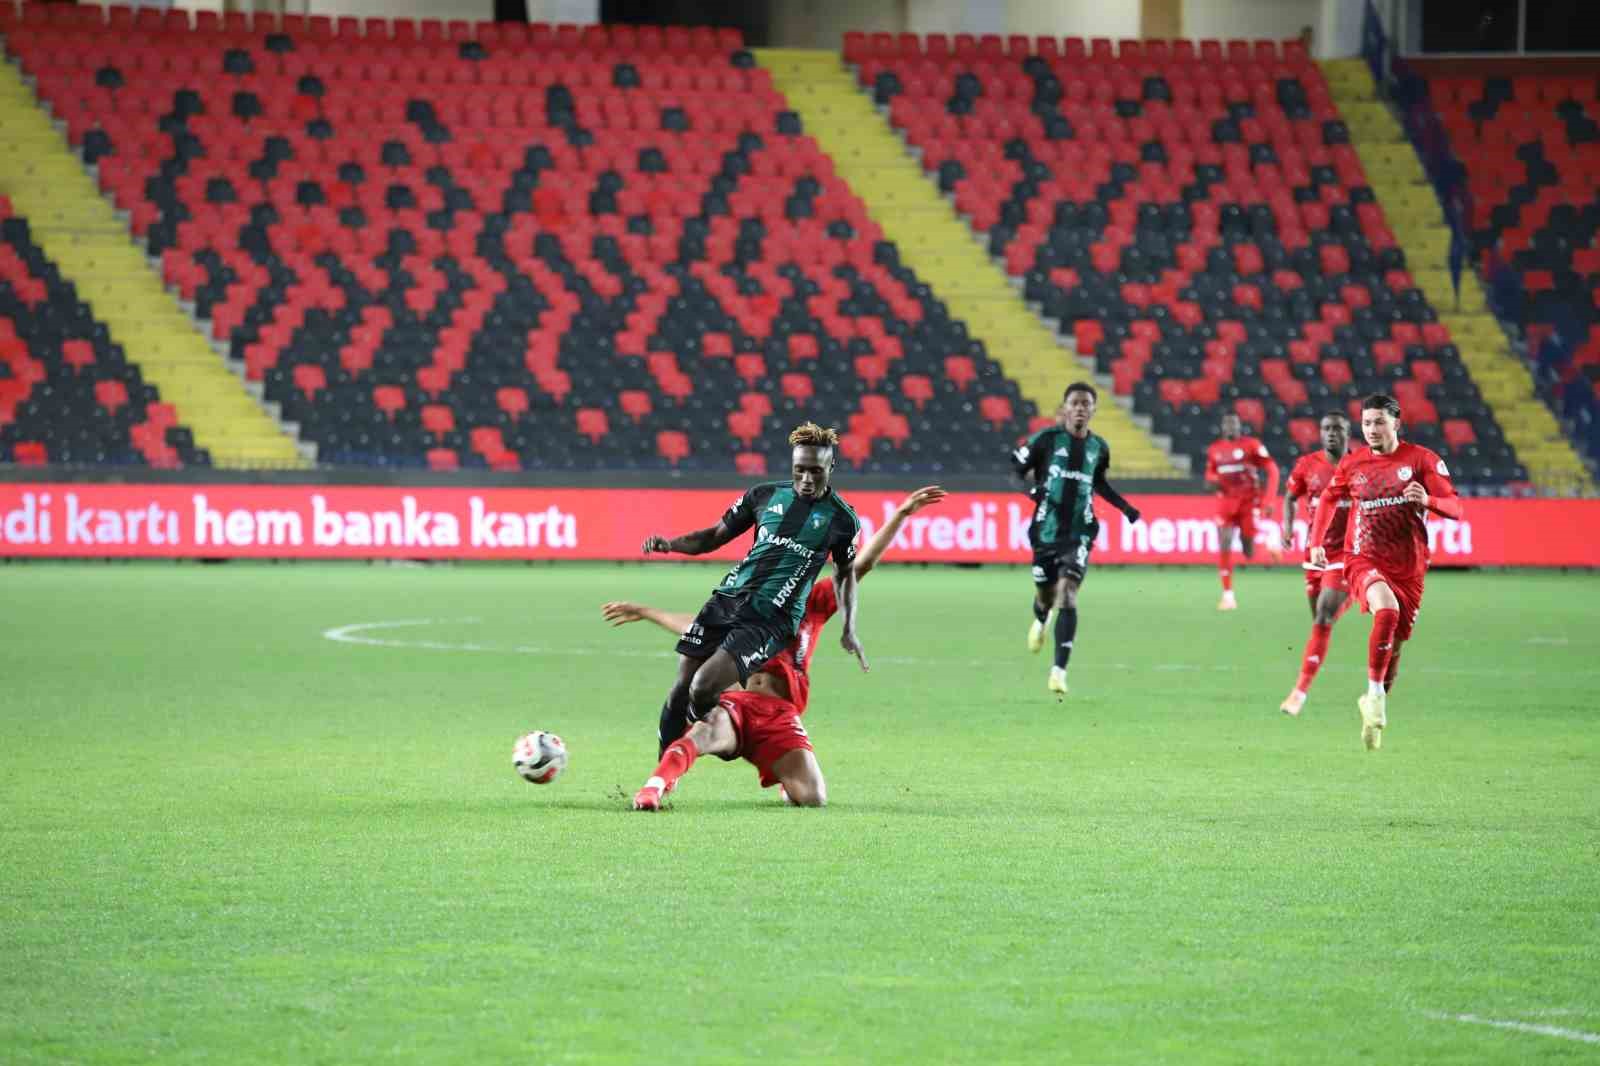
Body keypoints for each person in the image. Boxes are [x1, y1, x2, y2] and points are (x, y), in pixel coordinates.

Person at [607, 486, 948, 809]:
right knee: (702, 732)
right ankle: (655, 786)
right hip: (739, 703)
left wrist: (901, 514)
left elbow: (861, 565)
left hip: (780, 714)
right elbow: (696, 626)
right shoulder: (752, 597)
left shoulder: (815, 601)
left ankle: (783, 774)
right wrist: (647, 612)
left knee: (813, 798)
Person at [640, 422, 864, 757]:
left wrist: (848, 627)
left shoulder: (842, 520)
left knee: (703, 687)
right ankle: (663, 775)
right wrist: (671, 545)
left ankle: (721, 738)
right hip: (727, 600)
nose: (806, 479)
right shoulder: (763, 496)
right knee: (680, 690)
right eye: (800, 469)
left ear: (831, 466)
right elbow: (713, 536)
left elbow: (845, 575)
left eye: (815, 471)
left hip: (771, 618)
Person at [1308, 393, 1463, 750]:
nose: (1372, 429)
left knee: (1396, 646)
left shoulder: (1422, 460)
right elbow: (1329, 498)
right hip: (1362, 558)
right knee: (1386, 609)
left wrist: (1428, 500)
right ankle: (1375, 694)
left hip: (1409, 567)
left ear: (1397, 423)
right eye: (1366, 423)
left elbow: (1456, 507)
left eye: (1379, 422)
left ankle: (1373, 703)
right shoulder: (1353, 464)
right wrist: (1317, 542)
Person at [1010, 382, 1142, 698]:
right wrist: (1032, 490)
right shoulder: (1047, 440)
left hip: (1080, 532)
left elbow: (1099, 483)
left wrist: (1124, 507)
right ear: (1065, 408)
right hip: (1045, 531)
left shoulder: (1099, 448)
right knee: (1045, 597)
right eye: (1075, 403)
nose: (1080, 407)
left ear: (1093, 409)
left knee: (1067, 594)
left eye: (1086, 403)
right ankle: (1041, 619)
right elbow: (1016, 469)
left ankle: (1059, 672)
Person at [1278, 411, 1353, 716]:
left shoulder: (1361, 465)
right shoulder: (1307, 465)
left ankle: (1299, 693)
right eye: (1326, 428)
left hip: (1348, 553)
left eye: (1337, 428)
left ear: (1347, 432)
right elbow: (1289, 497)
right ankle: (1350, 598)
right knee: (1320, 619)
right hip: (1315, 551)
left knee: (1323, 615)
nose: (1331, 433)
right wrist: (1287, 527)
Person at [1205, 411, 1281, 611]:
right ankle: (1228, 596)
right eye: (1227, 424)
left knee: (1248, 551)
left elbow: (1272, 470)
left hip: (1249, 501)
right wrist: (1212, 481)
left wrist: (1269, 499)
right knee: (1224, 542)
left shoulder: (1251, 445)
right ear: (1223, 427)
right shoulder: (1214, 449)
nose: (1231, 427)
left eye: (1234, 424)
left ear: (1240, 426)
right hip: (1226, 502)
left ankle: (1269, 542)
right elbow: (1210, 474)